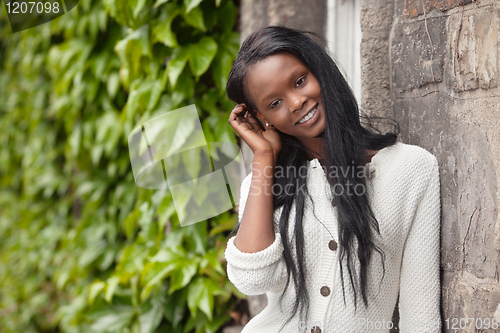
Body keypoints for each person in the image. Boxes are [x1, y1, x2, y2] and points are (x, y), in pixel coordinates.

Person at [224, 26, 441, 333]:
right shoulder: (263, 184)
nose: (296, 102)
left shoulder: (412, 169)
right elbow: (252, 280)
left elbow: (421, 313)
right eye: (274, 103)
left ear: (319, 71)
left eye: (300, 81)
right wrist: (262, 157)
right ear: (262, 119)